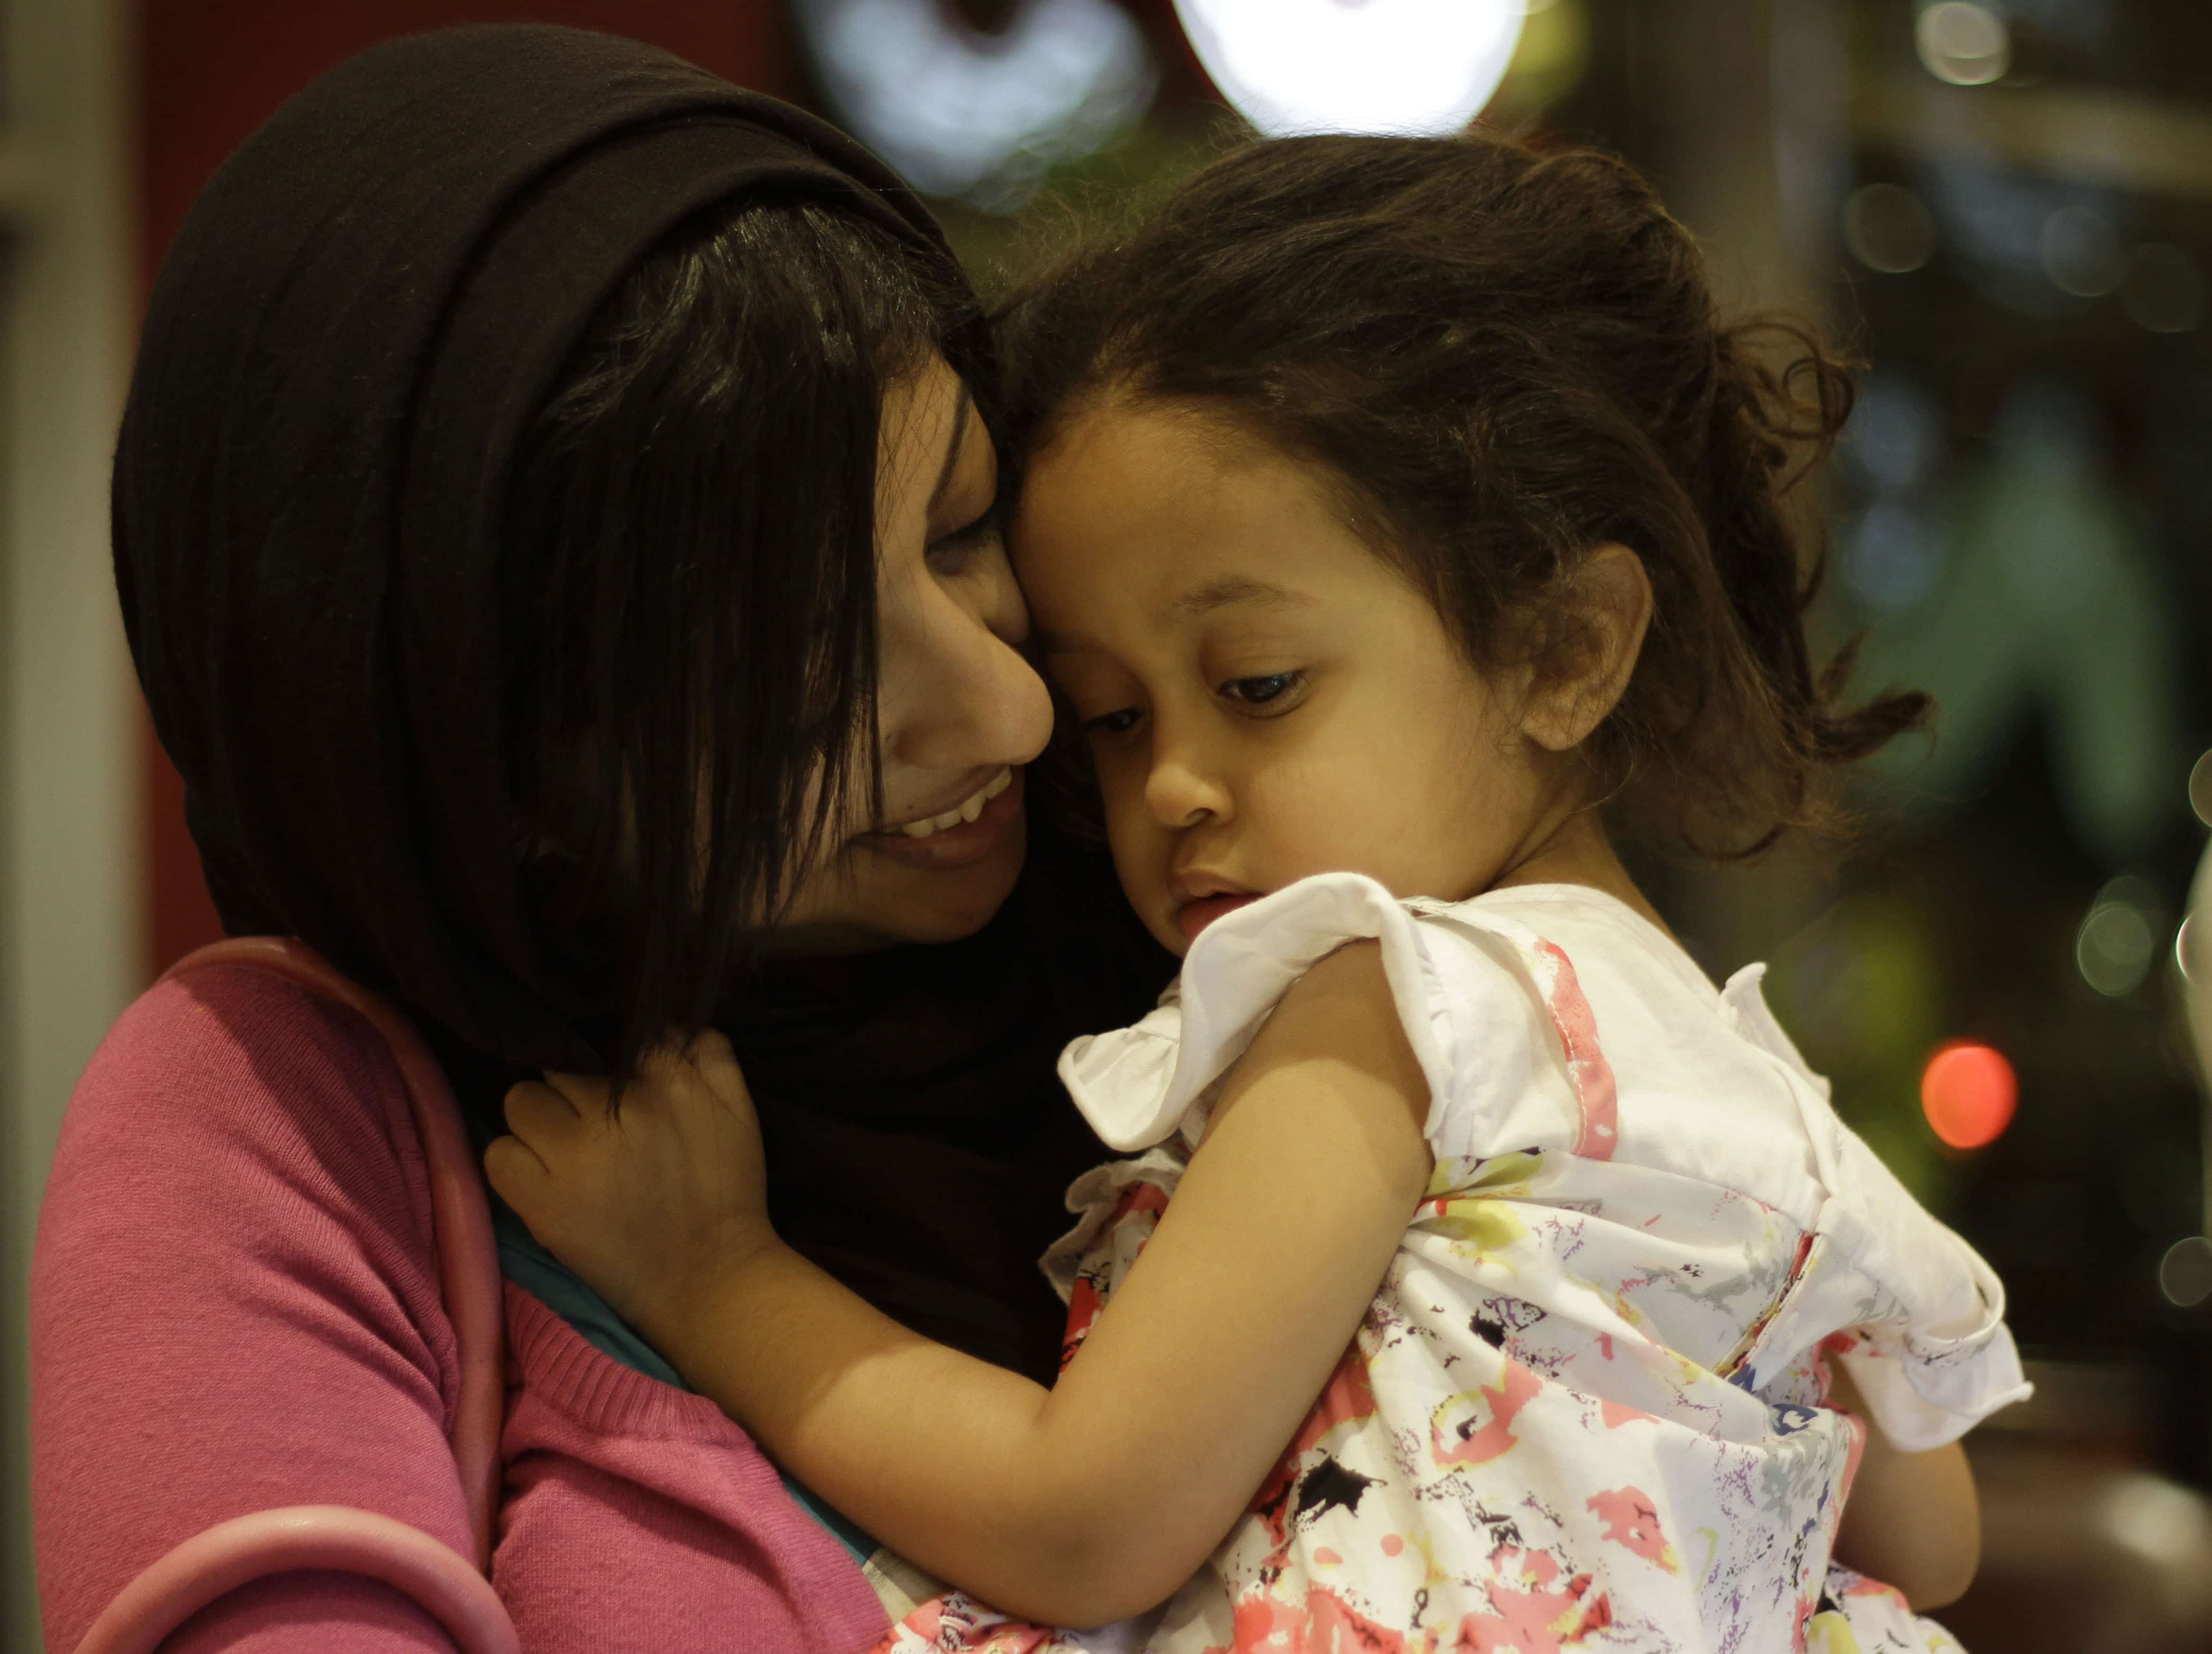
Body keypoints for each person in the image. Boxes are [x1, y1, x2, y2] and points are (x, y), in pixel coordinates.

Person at [491, 132, 2029, 1653]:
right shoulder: (1748, 1084)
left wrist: (711, 1270)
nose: (1168, 786)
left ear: (1563, 647)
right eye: (1110, 714)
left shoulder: (1381, 1009)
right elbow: (1929, 1534)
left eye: (1258, 683)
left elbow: (1083, 1516)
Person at [31, 25, 1166, 1654]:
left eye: (965, 528)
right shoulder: (285, 1123)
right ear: (469, 722)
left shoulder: (1209, 916)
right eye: (802, 665)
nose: (1005, 710)